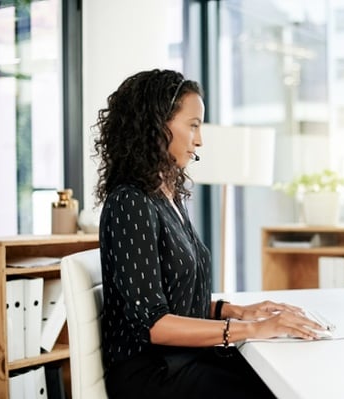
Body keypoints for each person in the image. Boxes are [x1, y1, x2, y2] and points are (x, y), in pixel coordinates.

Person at [93, 69, 323, 399]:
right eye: (193, 125)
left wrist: (236, 311)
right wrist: (251, 329)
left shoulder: (166, 198)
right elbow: (152, 323)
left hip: (184, 359)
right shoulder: (130, 203)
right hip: (153, 375)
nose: (199, 140)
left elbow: (178, 300)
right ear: (157, 125)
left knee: (290, 375)